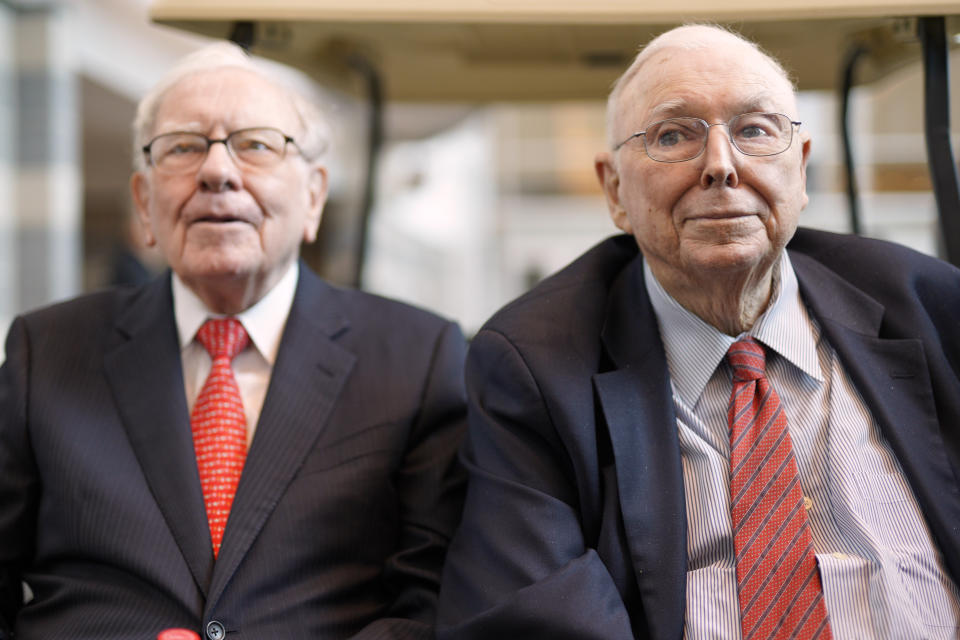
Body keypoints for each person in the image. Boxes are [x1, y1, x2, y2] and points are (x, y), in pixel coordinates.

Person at [437, 24, 960, 640]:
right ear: (615, 192)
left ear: (802, 169)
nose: (721, 166)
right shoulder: (535, 363)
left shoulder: (930, 307)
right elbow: (534, 617)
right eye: (673, 135)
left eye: (755, 131)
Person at [0, 42, 467, 640]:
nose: (217, 172)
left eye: (255, 145)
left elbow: (438, 597)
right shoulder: (48, 351)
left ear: (314, 196)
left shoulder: (418, 357)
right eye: (184, 147)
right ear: (144, 203)